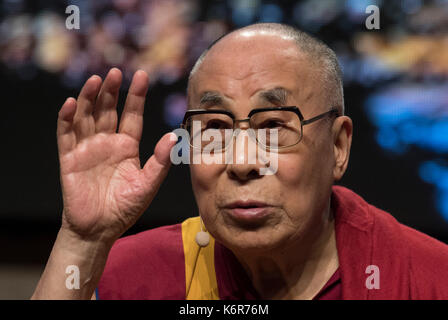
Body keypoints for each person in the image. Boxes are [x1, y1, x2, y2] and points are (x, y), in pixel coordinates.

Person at [32, 23, 448, 300]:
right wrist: (82, 242)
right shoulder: (139, 275)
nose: (243, 161)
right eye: (215, 126)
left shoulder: (427, 280)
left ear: (338, 146)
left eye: (273, 126)